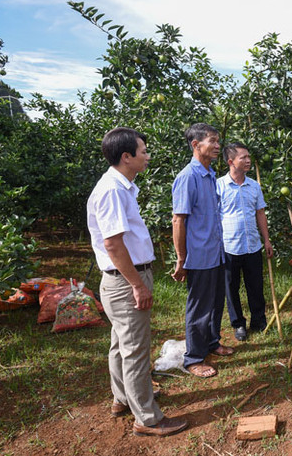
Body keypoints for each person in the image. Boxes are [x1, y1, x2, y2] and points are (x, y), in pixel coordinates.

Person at [87, 127, 187, 437]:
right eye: (142, 151)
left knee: (121, 344)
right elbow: (114, 245)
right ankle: (147, 418)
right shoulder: (113, 191)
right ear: (126, 156)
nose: (147, 156)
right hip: (124, 279)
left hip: (121, 278)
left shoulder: (121, 186)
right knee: (135, 350)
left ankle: (123, 398)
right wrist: (138, 285)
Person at [171, 123, 234, 379]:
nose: (218, 145)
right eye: (213, 140)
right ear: (196, 144)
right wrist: (181, 258)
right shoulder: (188, 177)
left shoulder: (209, 175)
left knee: (216, 302)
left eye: (218, 140)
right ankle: (194, 358)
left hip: (215, 252)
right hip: (199, 255)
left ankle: (211, 342)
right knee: (199, 308)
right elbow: (179, 220)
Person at [216, 142, 273, 341]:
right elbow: (214, 217)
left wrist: (266, 240)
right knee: (231, 288)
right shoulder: (219, 186)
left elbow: (260, 213)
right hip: (229, 246)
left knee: (256, 285)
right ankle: (238, 323)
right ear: (231, 161)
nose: (248, 160)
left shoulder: (254, 186)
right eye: (243, 157)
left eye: (249, 157)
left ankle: (258, 320)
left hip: (252, 244)